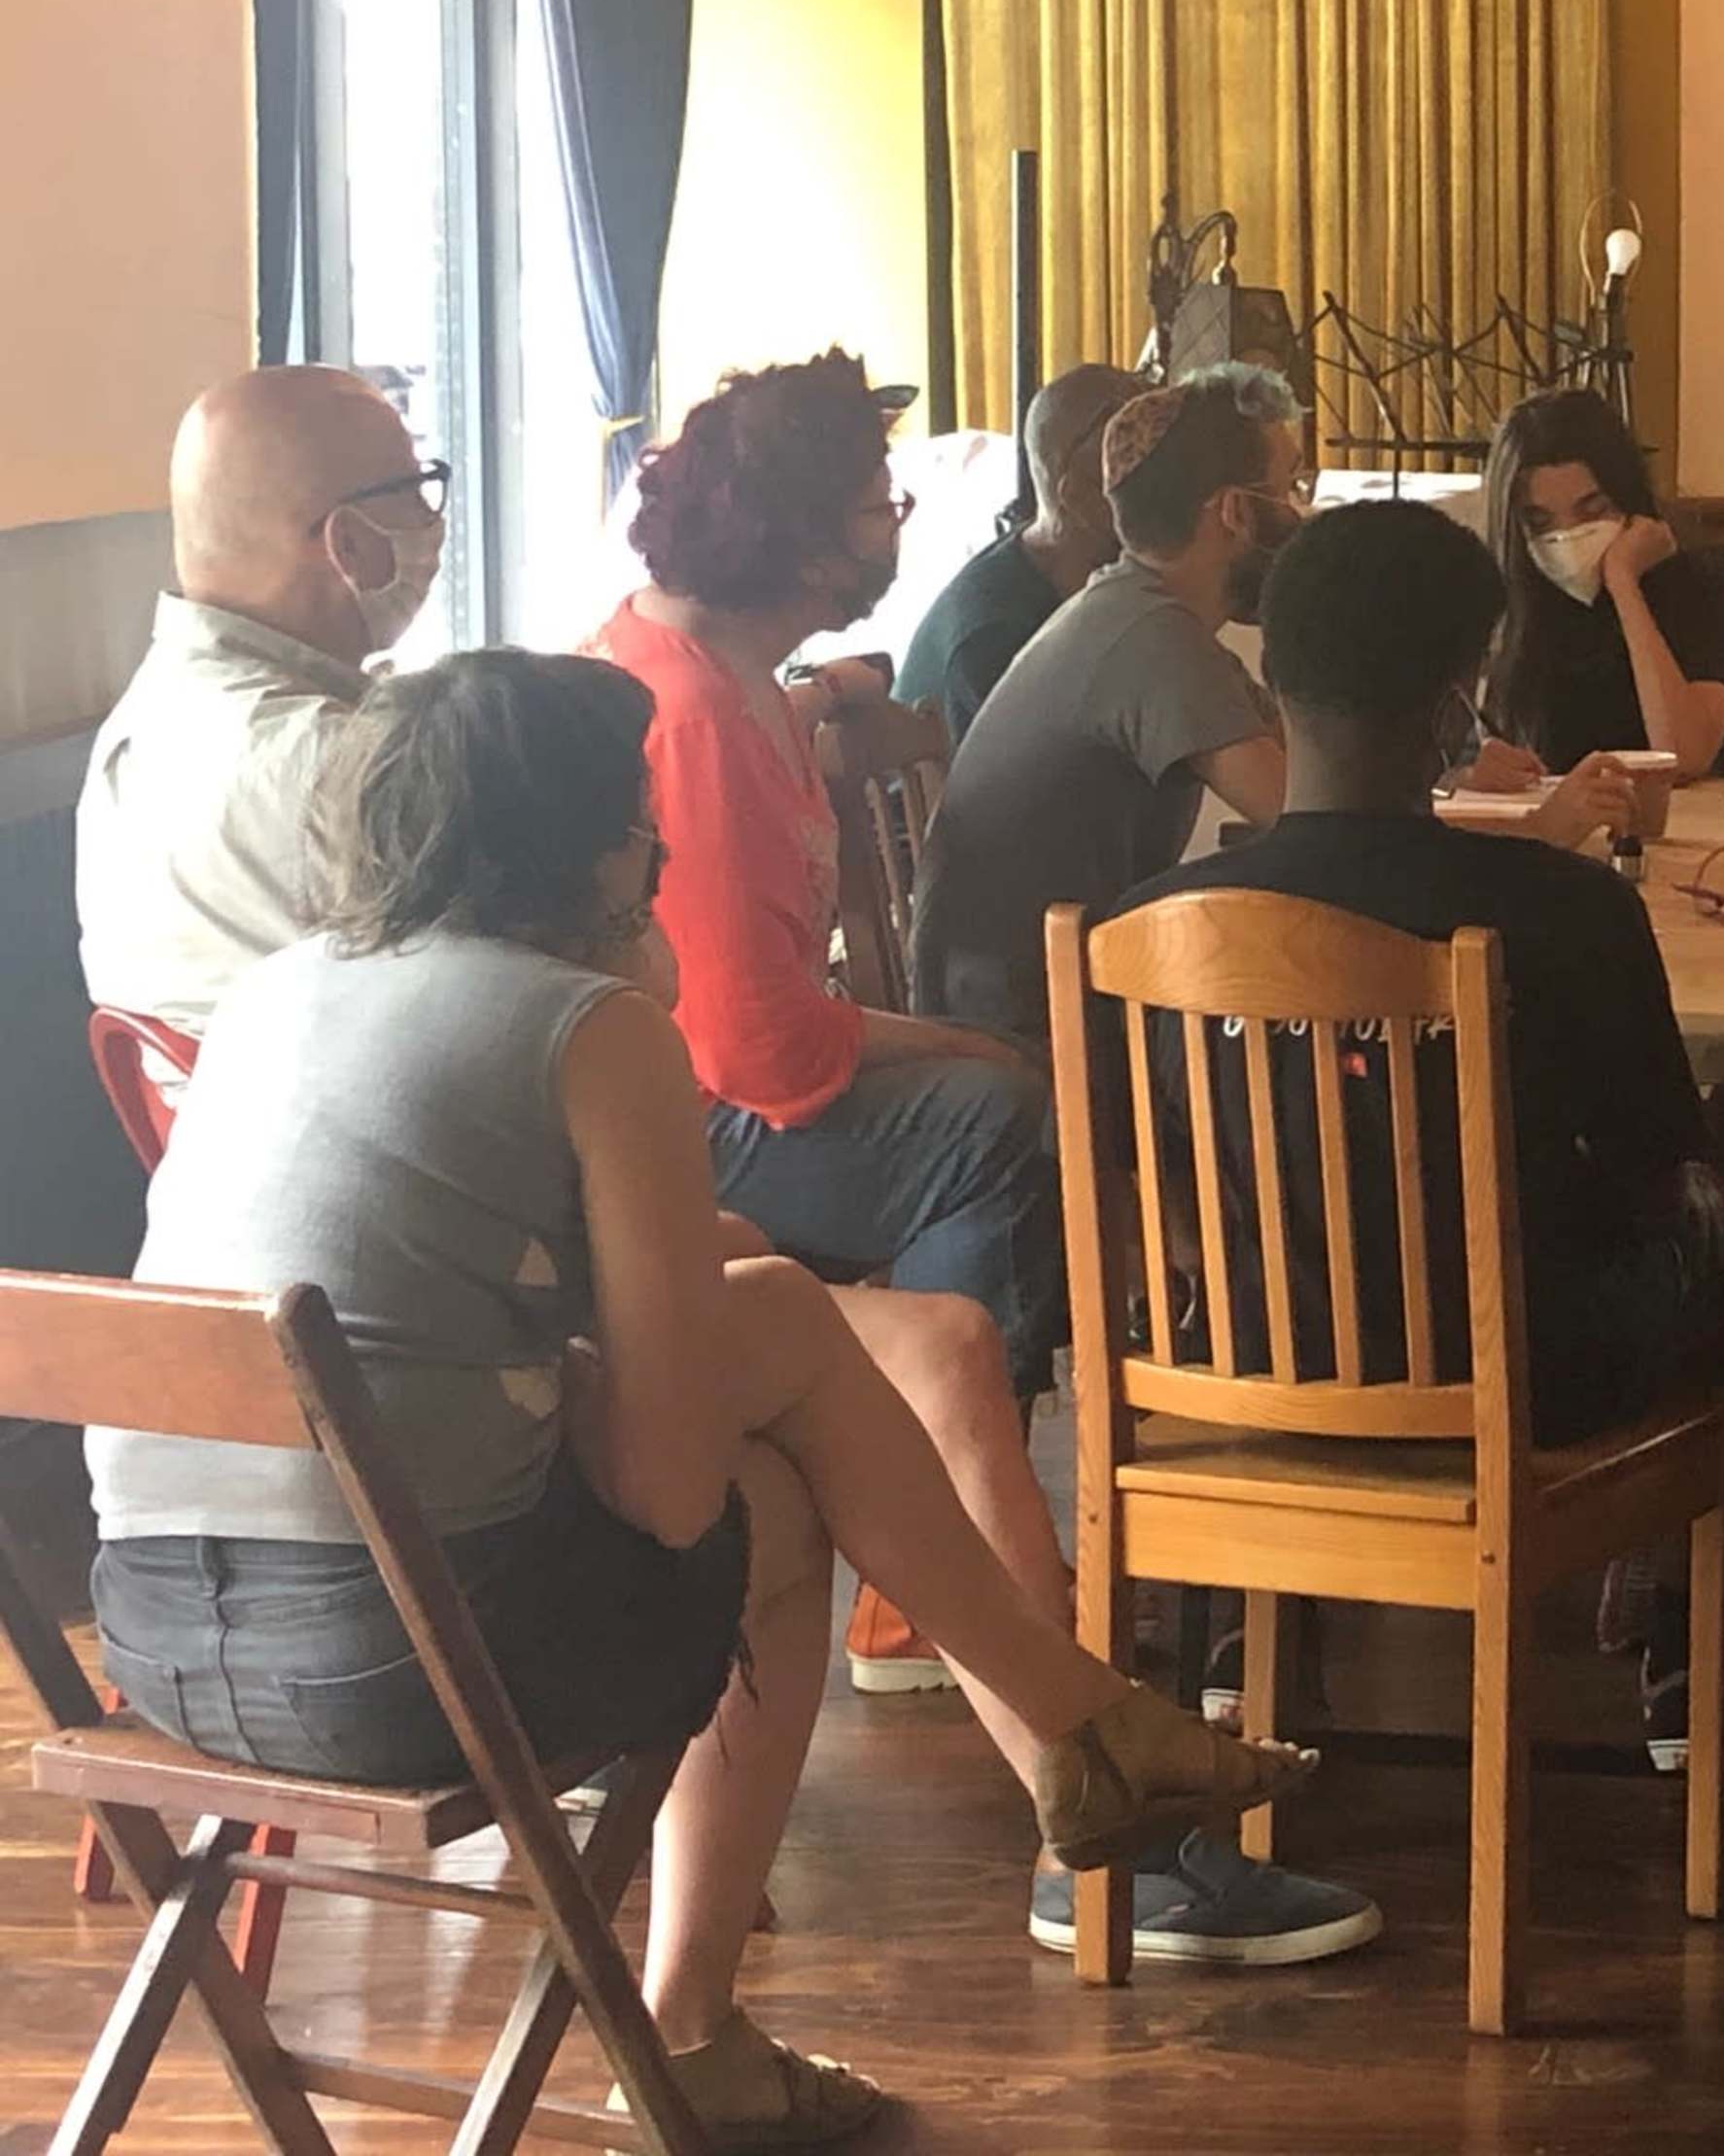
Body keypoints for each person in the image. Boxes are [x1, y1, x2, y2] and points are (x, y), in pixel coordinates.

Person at [82, 651, 1314, 2148]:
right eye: (643, 826)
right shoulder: (581, 1027)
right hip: (388, 1664)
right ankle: (722, 2006)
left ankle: (1070, 1737)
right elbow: (669, 1492)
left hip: (153, 1648)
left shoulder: (277, 989)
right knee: (767, 1499)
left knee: (774, 1318)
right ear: (595, 843)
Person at [1115, 498, 1724, 1750]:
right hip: (1529, 1377)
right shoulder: (1565, 911)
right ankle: (1681, 1660)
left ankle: (1262, 1639)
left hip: (1243, 1366)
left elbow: (1149, 1200)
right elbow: (1653, 1166)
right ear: (1461, 700)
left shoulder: (1146, 926)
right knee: (1703, 1246)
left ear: (1271, 681)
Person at [586, 353, 1063, 1400]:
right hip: (681, 1125)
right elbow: (765, 1052)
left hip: (682, 1085)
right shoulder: (698, 723)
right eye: (876, 507)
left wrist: (840, 686)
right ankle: (930, 1443)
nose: (894, 525)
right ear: (805, 548)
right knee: (1001, 1111)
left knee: (1006, 1086)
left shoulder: (716, 663)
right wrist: (969, 1042)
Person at [909, 369, 1301, 1045]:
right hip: (1027, 1039)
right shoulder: (1153, 640)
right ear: (1235, 511)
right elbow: (1305, 816)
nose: (1303, 513)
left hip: (1048, 1000)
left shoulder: (1130, 609)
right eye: (1293, 486)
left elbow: (1307, 758)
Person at [78, 366, 448, 1038]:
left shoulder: (143, 725)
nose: (433, 522)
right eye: (418, 490)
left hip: (221, 1133)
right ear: (351, 544)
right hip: (370, 1136)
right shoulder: (338, 763)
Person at [1476, 386, 1724, 781]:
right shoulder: (1498, 599)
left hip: (1667, 825)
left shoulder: (1703, 591)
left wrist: (1624, 583)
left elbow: (1683, 757)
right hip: (1542, 826)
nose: (1567, 536)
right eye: (1540, 522)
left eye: (1593, 510)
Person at [895, 361, 1148, 743]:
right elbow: (1028, 795)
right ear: (1075, 495)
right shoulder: (995, 637)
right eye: (1140, 476)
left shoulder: (1066, 573)